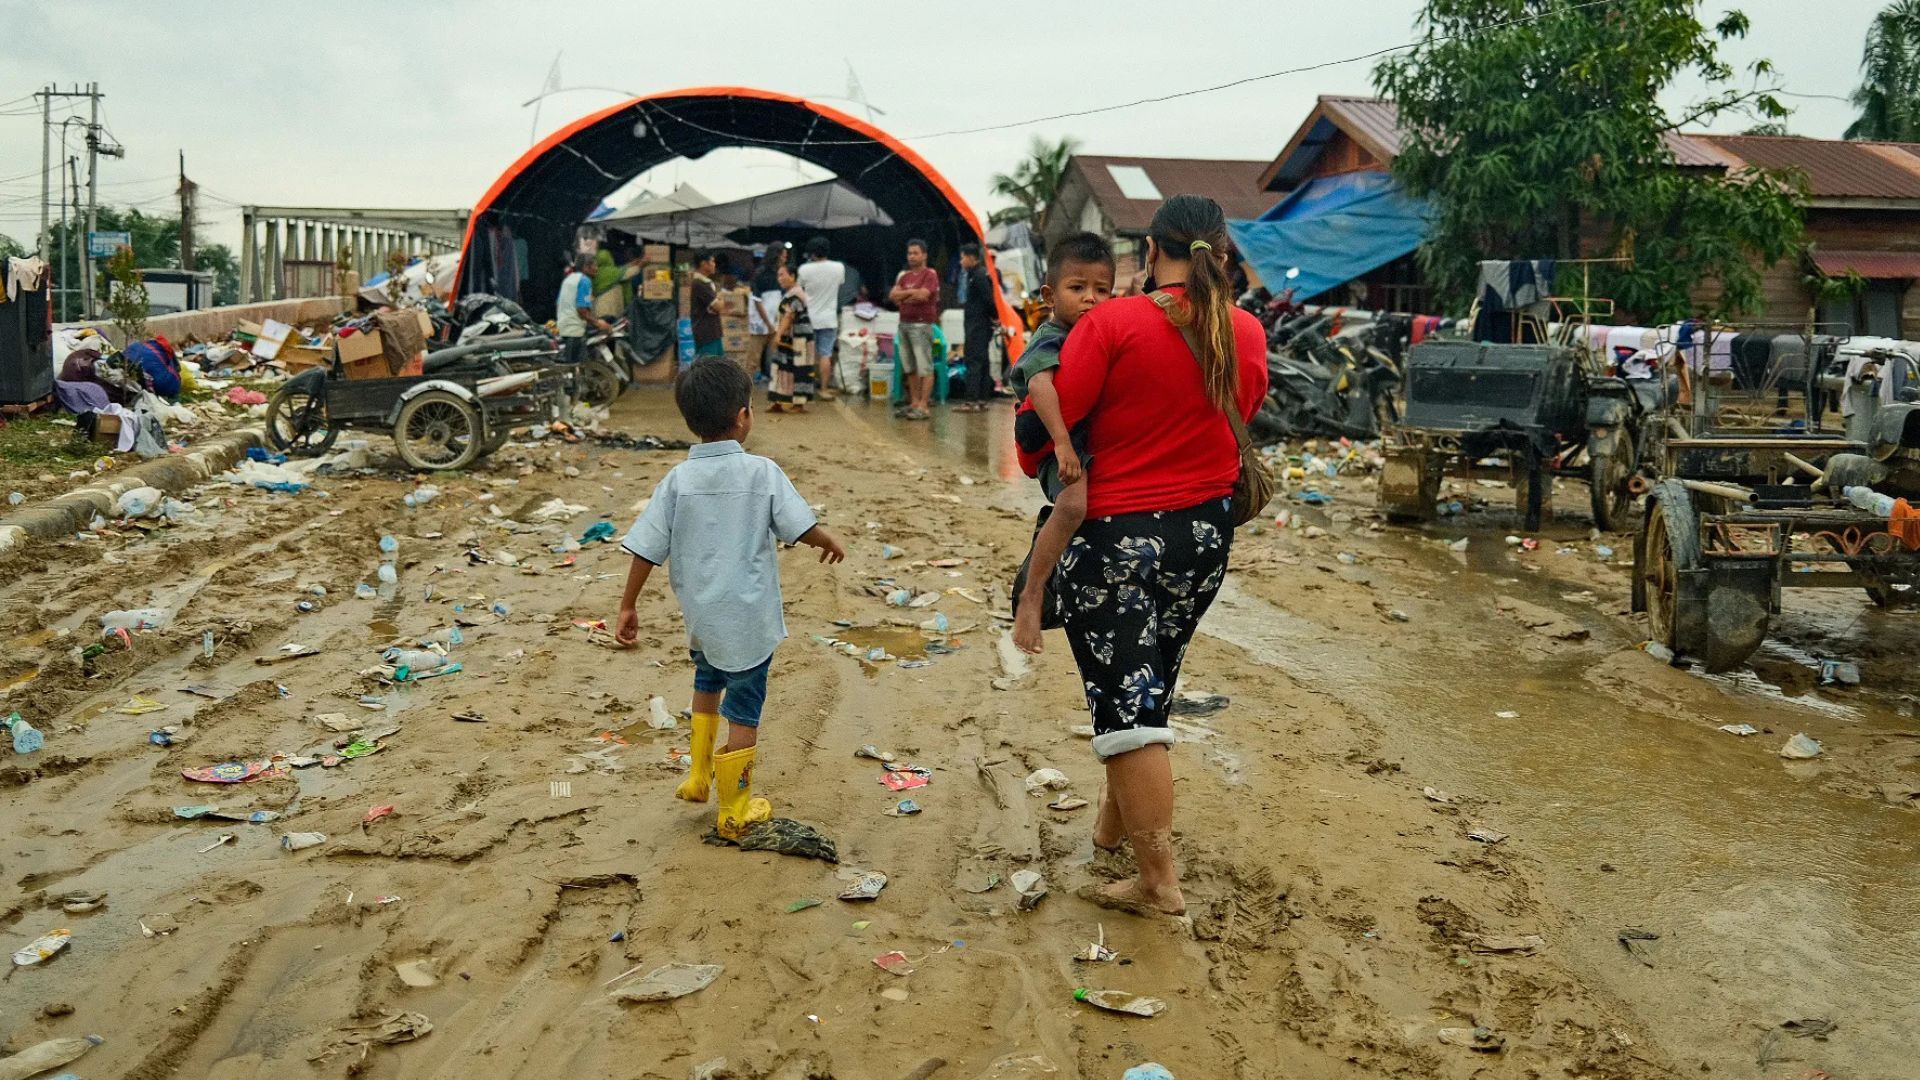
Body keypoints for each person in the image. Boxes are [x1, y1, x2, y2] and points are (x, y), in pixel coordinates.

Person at [1040, 195, 1268, 918]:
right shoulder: (1245, 330)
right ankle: (1112, 832)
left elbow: (1054, 423)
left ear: (1150, 251)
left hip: (1115, 538)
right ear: (1221, 253)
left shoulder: (1110, 323)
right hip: (1203, 538)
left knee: (1127, 704)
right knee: (1150, 679)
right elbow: (1241, 414)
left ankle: (1158, 883)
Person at [614, 358, 846, 838]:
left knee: (707, 681)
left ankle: (699, 776)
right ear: (743, 416)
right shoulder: (762, 473)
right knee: (743, 707)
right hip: (748, 620)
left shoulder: (677, 480)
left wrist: (627, 604)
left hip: (702, 617)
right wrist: (826, 540)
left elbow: (646, 547)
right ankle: (735, 807)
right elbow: (798, 525)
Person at [1007, 233, 1116, 654]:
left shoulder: (1098, 334)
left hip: (1083, 441)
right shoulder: (1052, 336)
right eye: (1077, 288)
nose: (1090, 298)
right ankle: (1033, 592)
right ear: (1050, 295)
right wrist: (1062, 445)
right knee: (1072, 505)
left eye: (1101, 290)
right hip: (1056, 444)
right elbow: (1040, 387)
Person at [889, 238, 942, 419]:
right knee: (910, 367)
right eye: (909, 253)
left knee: (925, 367)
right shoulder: (904, 276)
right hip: (904, 324)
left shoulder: (930, 275)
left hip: (921, 325)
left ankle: (924, 406)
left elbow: (924, 296)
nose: (911, 256)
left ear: (924, 255)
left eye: (915, 253)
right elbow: (893, 296)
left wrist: (904, 296)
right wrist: (912, 293)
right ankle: (914, 403)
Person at [796, 237, 846, 400]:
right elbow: (840, 284)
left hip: (808, 318)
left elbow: (799, 289)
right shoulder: (838, 267)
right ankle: (824, 389)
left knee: (807, 355)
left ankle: (805, 388)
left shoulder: (804, 269)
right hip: (828, 319)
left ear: (811, 253)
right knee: (825, 354)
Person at [766, 264, 815, 413]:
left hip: (800, 339)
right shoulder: (789, 294)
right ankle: (778, 401)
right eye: (778, 275)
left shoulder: (797, 295)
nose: (779, 278)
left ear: (792, 276)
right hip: (789, 338)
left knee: (799, 370)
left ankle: (799, 404)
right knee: (781, 368)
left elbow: (789, 316)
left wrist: (778, 334)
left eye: (782, 275)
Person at [955, 243, 996, 410]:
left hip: (978, 325)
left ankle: (972, 400)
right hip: (977, 324)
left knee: (974, 360)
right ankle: (981, 399)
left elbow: (988, 300)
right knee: (982, 360)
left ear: (972, 258)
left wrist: (995, 317)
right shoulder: (974, 275)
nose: (961, 262)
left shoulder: (978, 276)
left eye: (963, 258)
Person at [556, 254, 613, 365]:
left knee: (570, 365)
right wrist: (598, 324)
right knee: (577, 366)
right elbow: (581, 309)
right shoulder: (585, 280)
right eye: (595, 265)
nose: (597, 269)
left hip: (564, 327)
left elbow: (559, 304)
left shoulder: (569, 279)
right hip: (575, 331)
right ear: (586, 267)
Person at [747, 246, 787, 378]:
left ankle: (771, 382)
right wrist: (768, 323)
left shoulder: (779, 274)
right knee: (754, 358)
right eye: (783, 256)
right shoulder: (760, 273)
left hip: (774, 322)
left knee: (773, 357)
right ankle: (747, 383)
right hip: (760, 323)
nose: (785, 259)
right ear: (777, 255)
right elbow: (757, 301)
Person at [689, 250, 726, 359]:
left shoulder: (705, 282)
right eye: (712, 261)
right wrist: (721, 299)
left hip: (712, 332)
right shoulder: (700, 284)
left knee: (718, 364)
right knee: (709, 365)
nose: (714, 264)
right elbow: (718, 306)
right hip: (707, 333)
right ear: (703, 264)